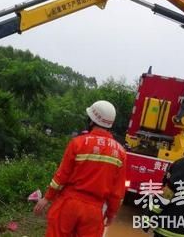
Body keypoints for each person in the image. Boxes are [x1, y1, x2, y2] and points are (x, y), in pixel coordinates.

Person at [33, 100, 127, 237]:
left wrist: (47, 198)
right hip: (94, 212)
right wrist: (111, 214)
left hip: (69, 204)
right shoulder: (120, 153)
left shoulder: (78, 143)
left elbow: (62, 175)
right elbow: (117, 192)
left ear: (91, 120)